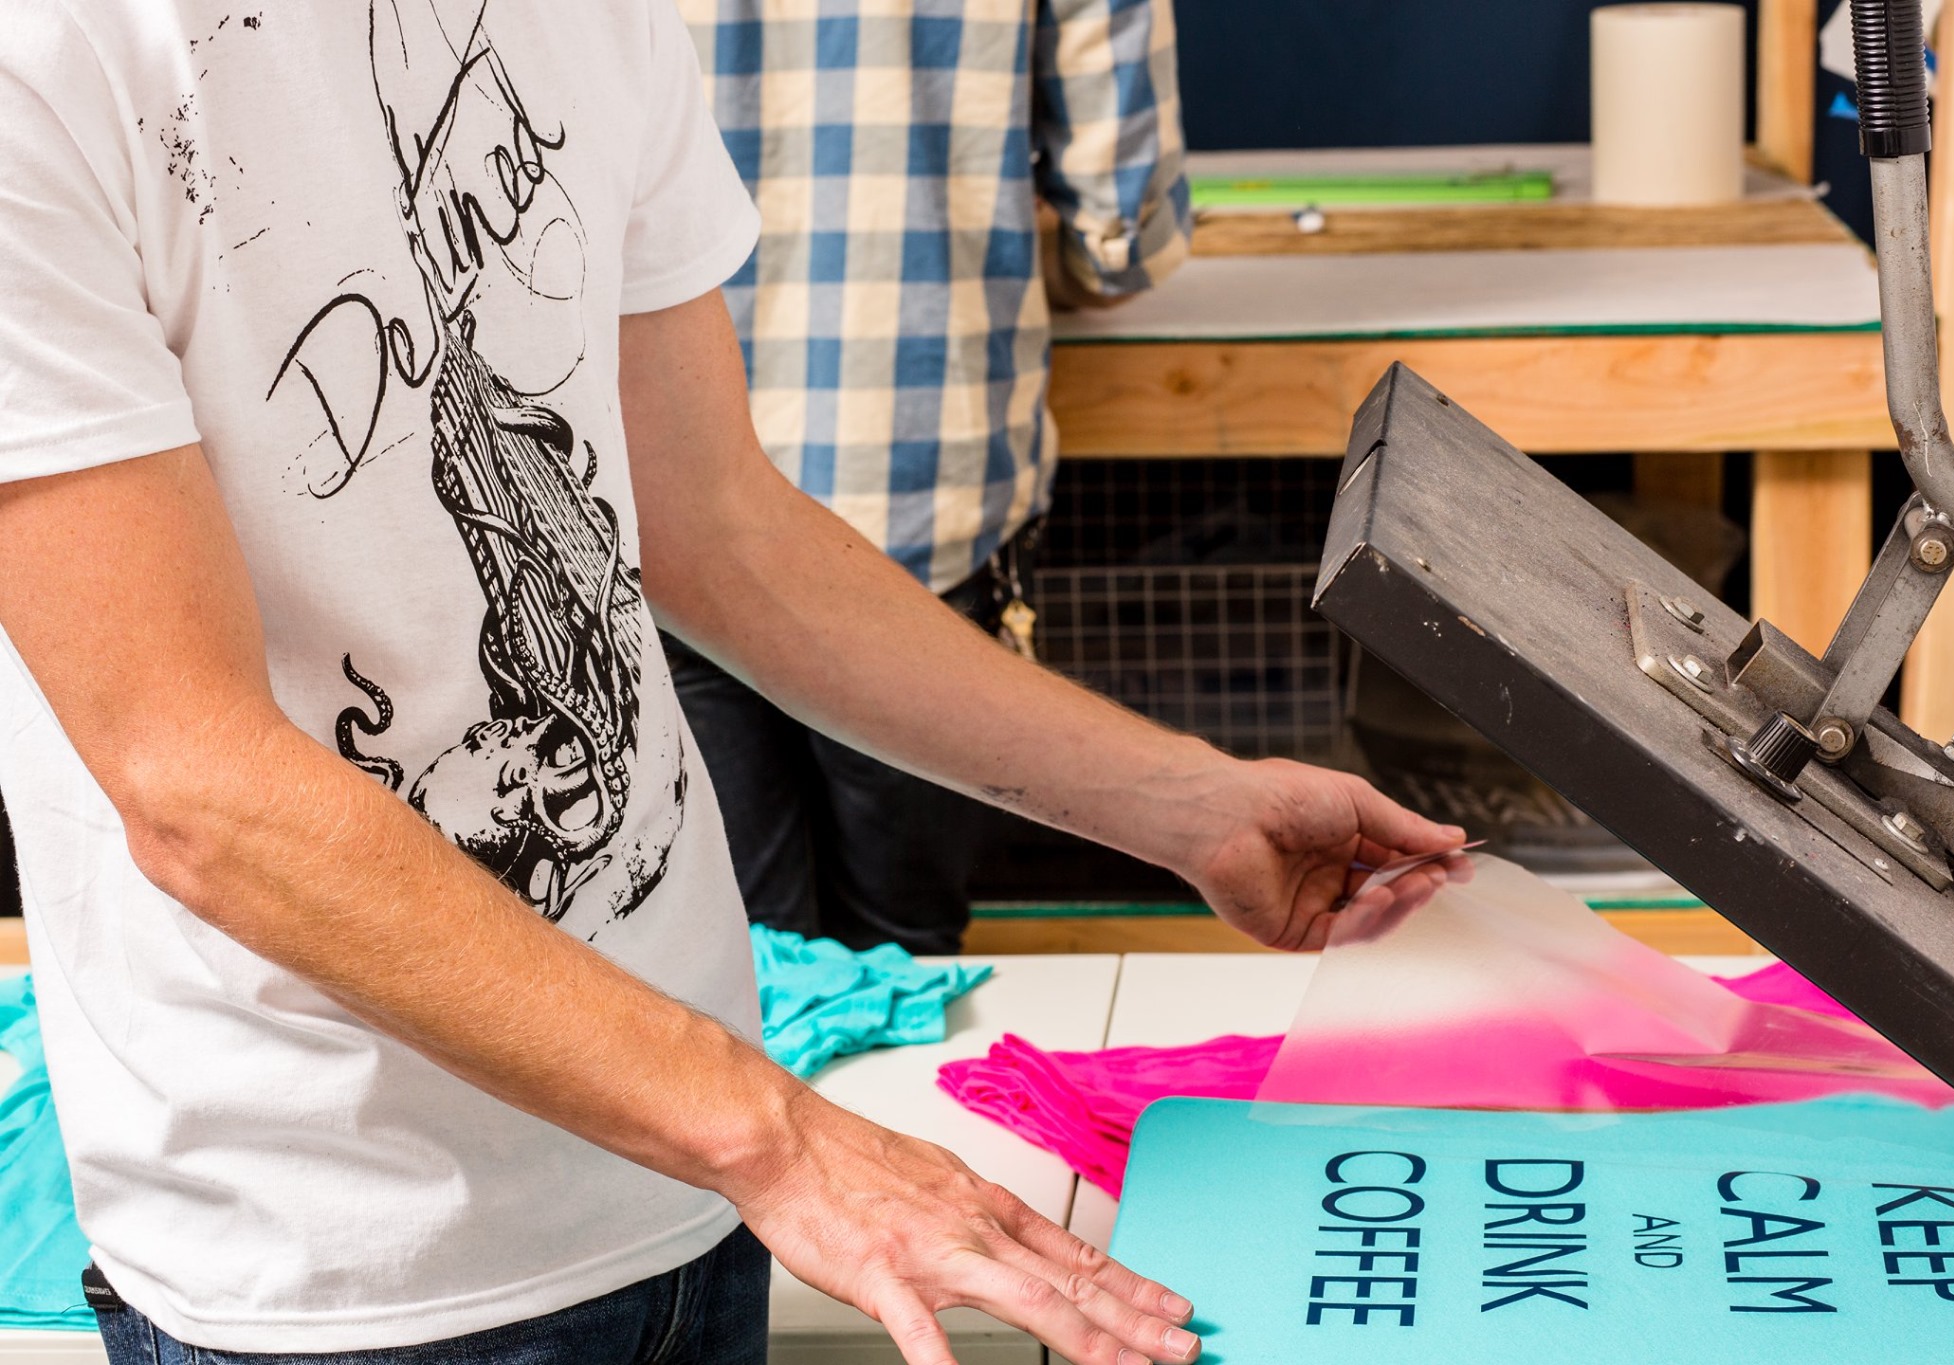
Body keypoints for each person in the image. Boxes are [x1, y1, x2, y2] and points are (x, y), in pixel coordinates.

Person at [0, 4, 1465, 1364]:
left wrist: (1186, 804)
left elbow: (721, 525)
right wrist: (781, 1139)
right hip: (350, 1269)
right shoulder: (46, 60)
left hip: (686, 1197)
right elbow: (200, 787)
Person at [664, 0, 1191, 954]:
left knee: (736, 961)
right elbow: (1122, 235)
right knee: (904, 953)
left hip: (666, 512)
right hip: (915, 488)